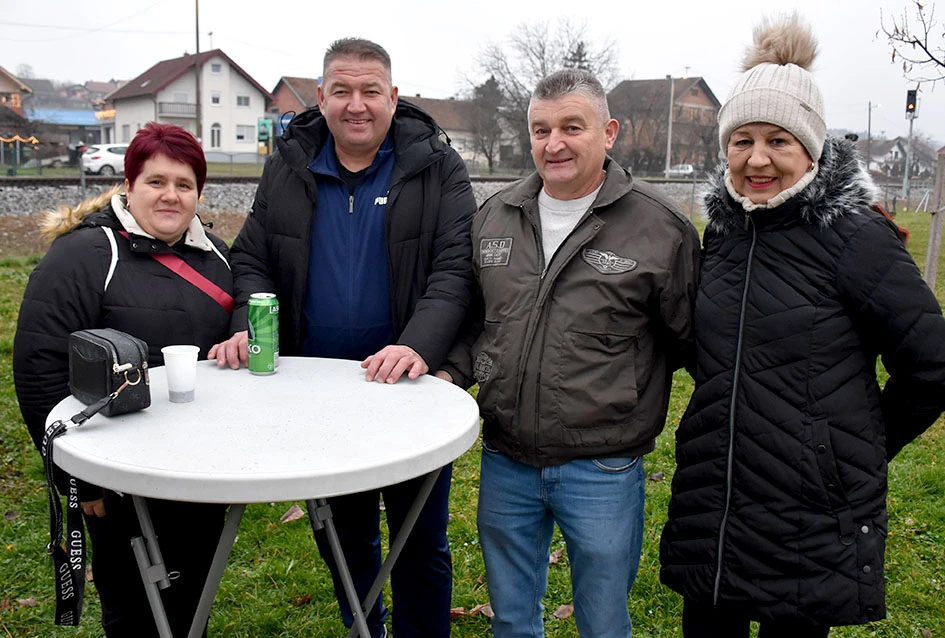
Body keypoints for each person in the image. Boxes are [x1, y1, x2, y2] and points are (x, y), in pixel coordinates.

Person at [659, 15, 945, 638]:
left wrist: (853, 450)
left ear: (811, 150)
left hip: (807, 515)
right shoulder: (726, 232)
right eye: (742, 140)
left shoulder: (857, 238)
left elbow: (932, 365)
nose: (757, 159)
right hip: (718, 500)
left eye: (779, 141)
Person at [208, 38, 476, 638]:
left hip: (409, 390)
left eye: (371, 91)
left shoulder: (436, 166)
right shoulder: (288, 164)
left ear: (393, 97)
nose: (358, 105)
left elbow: (456, 269)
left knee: (419, 540)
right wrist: (250, 330)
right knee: (343, 534)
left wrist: (420, 347)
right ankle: (366, 627)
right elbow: (252, 259)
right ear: (322, 98)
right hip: (318, 395)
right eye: (343, 92)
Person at [438, 68, 701, 637]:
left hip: (602, 465)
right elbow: (478, 322)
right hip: (506, 457)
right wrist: (447, 372)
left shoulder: (661, 229)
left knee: (603, 622)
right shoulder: (494, 217)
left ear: (608, 132)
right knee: (511, 618)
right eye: (540, 129)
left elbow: (691, 343)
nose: (552, 144)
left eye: (570, 127)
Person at [13, 122, 233, 636]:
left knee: (190, 596)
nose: (170, 196)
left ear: (199, 192)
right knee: (134, 605)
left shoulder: (218, 256)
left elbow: (247, 303)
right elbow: (39, 370)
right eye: (156, 181)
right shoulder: (82, 257)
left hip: (201, 464)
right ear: (128, 185)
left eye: (184, 184)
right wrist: (76, 475)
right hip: (115, 472)